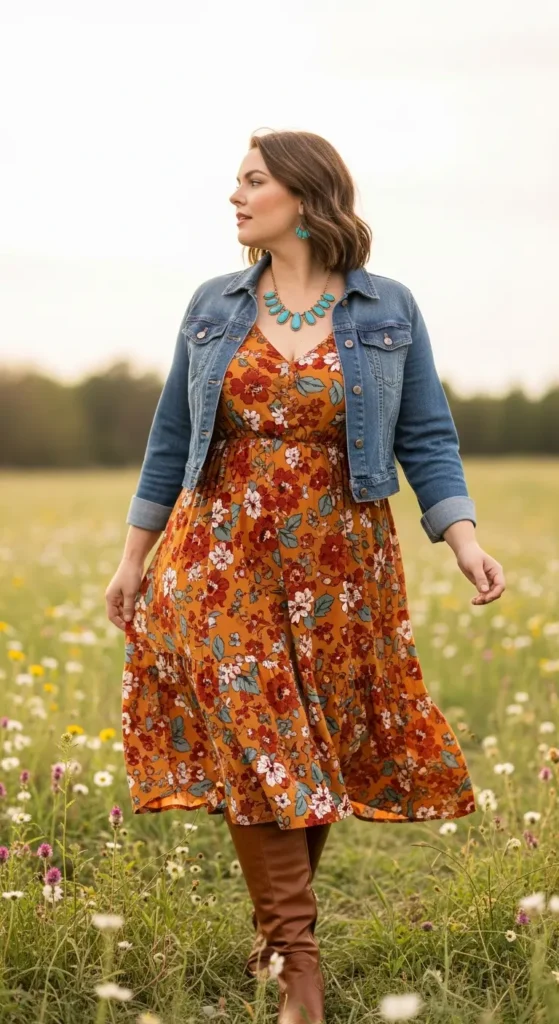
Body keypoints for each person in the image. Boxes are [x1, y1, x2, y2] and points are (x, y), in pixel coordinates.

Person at [105, 129, 505, 1024]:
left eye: (251, 182)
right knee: (259, 742)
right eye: (237, 184)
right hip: (218, 557)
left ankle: (279, 940)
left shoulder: (386, 307)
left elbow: (427, 436)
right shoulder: (213, 305)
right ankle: (299, 974)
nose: (236, 198)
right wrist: (134, 558)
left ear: (304, 194)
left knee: (308, 749)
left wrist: (463, 539)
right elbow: (171, 438)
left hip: (341, 562)